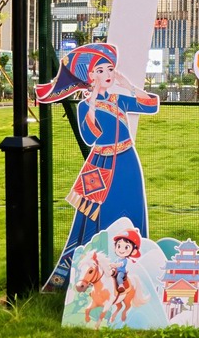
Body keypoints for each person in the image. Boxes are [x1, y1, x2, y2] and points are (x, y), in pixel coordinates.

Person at [36, 43, 159, 291]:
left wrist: (129, 86)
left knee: (132, 208)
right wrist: (92, 103)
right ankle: (93, 273)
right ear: (91, 76)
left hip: (127, 160)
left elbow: (151, 104)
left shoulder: (119, 99)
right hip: (100, 164)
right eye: (101, 70)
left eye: (110, 69)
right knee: (96, 214)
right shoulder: (84, 106)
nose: (108, 74)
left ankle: (135, 271)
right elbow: (90, 137)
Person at [110, 228, 142, 293]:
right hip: (115, 271)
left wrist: (115, 265)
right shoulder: (117, 259)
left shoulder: (124, 260)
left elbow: (120, 264)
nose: (121, 250)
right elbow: (114, 264)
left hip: (121, 272)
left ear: (133, 251)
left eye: (126, 247)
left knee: (119, 277)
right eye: (119, 246)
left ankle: (121, 285)